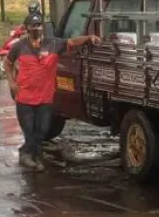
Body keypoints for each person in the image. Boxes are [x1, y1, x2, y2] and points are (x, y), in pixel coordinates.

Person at [6, 14, 99, 171]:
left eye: (39, 25)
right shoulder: (19, 46)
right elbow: (7, 63)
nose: (37, 28)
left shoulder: (53, 44)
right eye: (33, 26)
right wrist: (11, 82)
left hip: (45, 98)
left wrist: (89, 37)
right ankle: (32, 158)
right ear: (27, 28)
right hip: (24, 98)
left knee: (42, 131)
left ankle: (25, 152)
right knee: (29, 131)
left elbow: (71, 42)